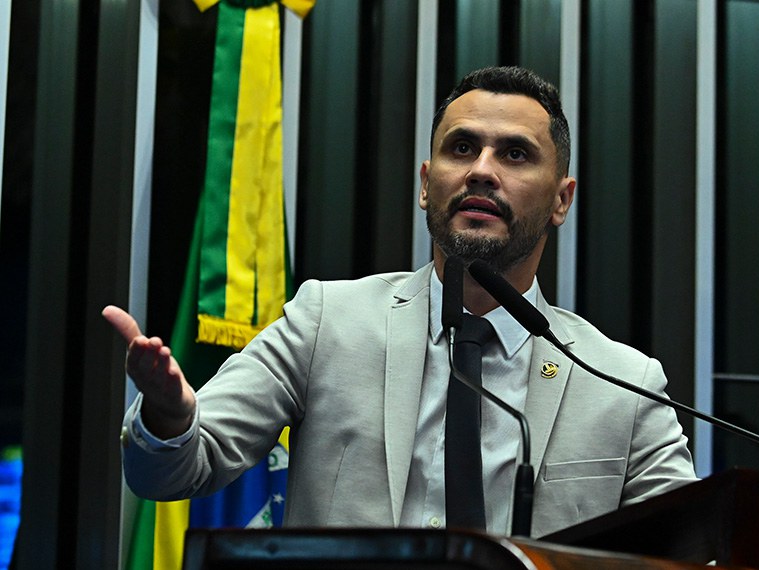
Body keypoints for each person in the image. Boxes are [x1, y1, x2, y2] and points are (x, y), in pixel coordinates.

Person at [103, 66, 696, 539]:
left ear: (562, 199)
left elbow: (695, 545)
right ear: (425, 181)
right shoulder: (325, 323)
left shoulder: (623, 383)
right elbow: (172, 470)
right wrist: (170, 416)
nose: (481, 172)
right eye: (461, 148)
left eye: (515, 155)